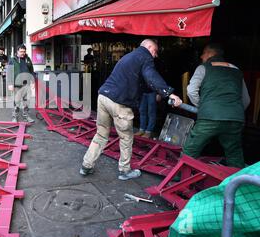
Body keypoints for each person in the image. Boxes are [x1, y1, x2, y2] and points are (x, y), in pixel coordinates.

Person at [80, 39, 183, 181]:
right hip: (119, 103)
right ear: (149, 47)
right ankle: (124, 170)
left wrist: (157, 92)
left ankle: (86, 166)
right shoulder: (145, 57)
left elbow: (140, 81)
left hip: (103, 97)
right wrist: (169, 93)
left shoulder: (130, 56)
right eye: (155, 51)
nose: (155, 55)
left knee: (101, 134)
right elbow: (150, 76)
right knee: (126, 137)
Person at [182, 43, 251, 168]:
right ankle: (237, 184)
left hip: (209, 117)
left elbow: (191, 91)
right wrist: (235, 111)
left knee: (190, 149)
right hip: (235, 119)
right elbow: (246, 99)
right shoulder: (236, 70)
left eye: (203, 53)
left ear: (210, 54)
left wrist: (203, 107)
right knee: (234, 154)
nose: (201, 57)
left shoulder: (203, 68)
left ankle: (179, 176)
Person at [7, 44, 35, 123]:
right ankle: (14, 117)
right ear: (17, 51)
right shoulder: (12, 60)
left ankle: (26, 116)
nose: (22, 53)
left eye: (24, 51)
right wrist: (10, 84)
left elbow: (32, 71)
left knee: (26, 102)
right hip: (17, 85)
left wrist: (33, 82)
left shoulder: (28, 59)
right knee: (17, 102)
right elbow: (9, 73)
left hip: (26, 85)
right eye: (21, 51)